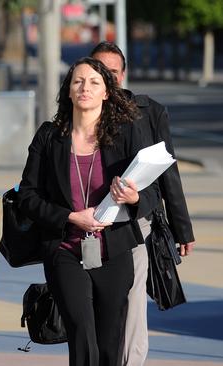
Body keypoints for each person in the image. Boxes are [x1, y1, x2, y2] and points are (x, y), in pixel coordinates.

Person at [18, 57, 160, 366]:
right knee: (82, 335)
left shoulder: (125, 135)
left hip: (115, 250)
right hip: (65, 249)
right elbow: (26, 196)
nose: (85, 88)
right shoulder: (48, 136)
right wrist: (70, 217)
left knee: (110, 343)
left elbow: (151, 194)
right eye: (78, 81)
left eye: (94, 82)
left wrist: (135, 198)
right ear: (68, 90)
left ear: (107, 92)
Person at [90, 41, 196, 366]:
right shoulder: (77, 115)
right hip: (90, 225)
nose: (107, 79)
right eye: (98, 72)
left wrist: (183, 229)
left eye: (112, 72)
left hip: (137, 223)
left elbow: (168, 173)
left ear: (123, 74)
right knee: (96, 308)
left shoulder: (149, 112)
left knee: (133, 306)